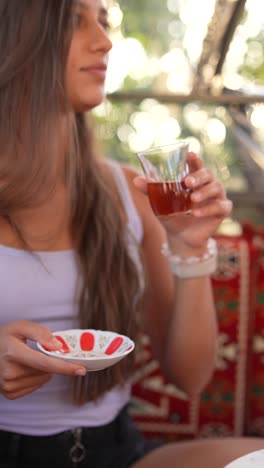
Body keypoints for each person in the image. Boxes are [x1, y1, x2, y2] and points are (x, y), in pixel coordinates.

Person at [0, 1, 263, 467]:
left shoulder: (129, 192)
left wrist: (190, 248)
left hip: (115, 451)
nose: (104, 41)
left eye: (103, 21)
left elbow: (192, 375)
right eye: (73, 22)